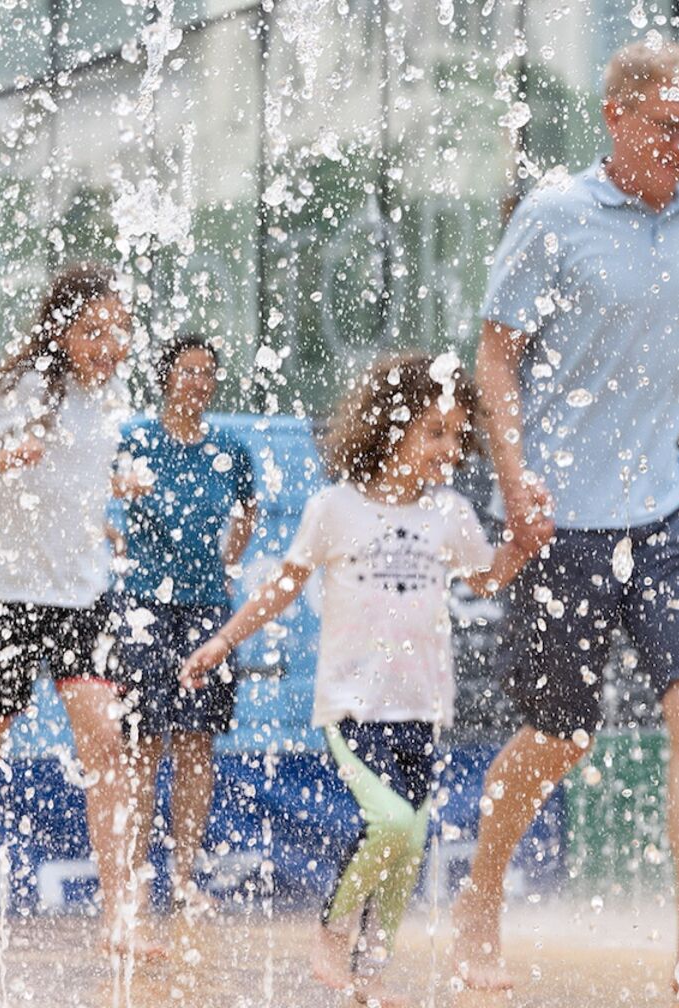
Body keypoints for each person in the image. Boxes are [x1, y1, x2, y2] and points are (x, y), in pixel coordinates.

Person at [449, 36, 679, 1000]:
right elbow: (495, 356)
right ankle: (480, 896)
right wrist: (515, 480)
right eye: (668, 125)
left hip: (668, 507)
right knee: (560, 735)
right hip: (563, 518)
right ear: (615, 116)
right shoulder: (554, 214)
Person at [181, 353, 550, 1006]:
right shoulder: (336, 507)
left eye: (457, 435)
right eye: (434, 431)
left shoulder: (450, 513)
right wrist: (224, 640)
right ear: (392, 424)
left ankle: (372, 968)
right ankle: (332, 931)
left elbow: (487, 578)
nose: (449, 448)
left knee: (409, 844)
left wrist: (522, 546)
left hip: (422, 706)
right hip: (352, 706)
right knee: (392, 823)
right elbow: (284, 585)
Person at [0, 264, 152, 959]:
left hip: (82, 597)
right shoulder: (21, 389)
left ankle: (119, 918)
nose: (108, 345)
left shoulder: (110, 399)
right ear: (61, 333)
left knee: (105, 743)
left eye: (118, 331)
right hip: (5, 597)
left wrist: (110, 493)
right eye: (92, 331)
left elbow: (70, 477)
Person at [114, 335, 258, 914]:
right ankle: (135, 879)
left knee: (198, 743)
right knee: (143, 743)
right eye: (188, 370)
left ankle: (183, 877)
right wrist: (115, 538)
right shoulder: (134, 439)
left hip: (206, 608)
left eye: (207, 372)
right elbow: (85, 493)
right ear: (165, 378)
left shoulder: (229, 448)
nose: (198, 381)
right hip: (144, 605)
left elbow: (247, 510)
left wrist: (229, 564)